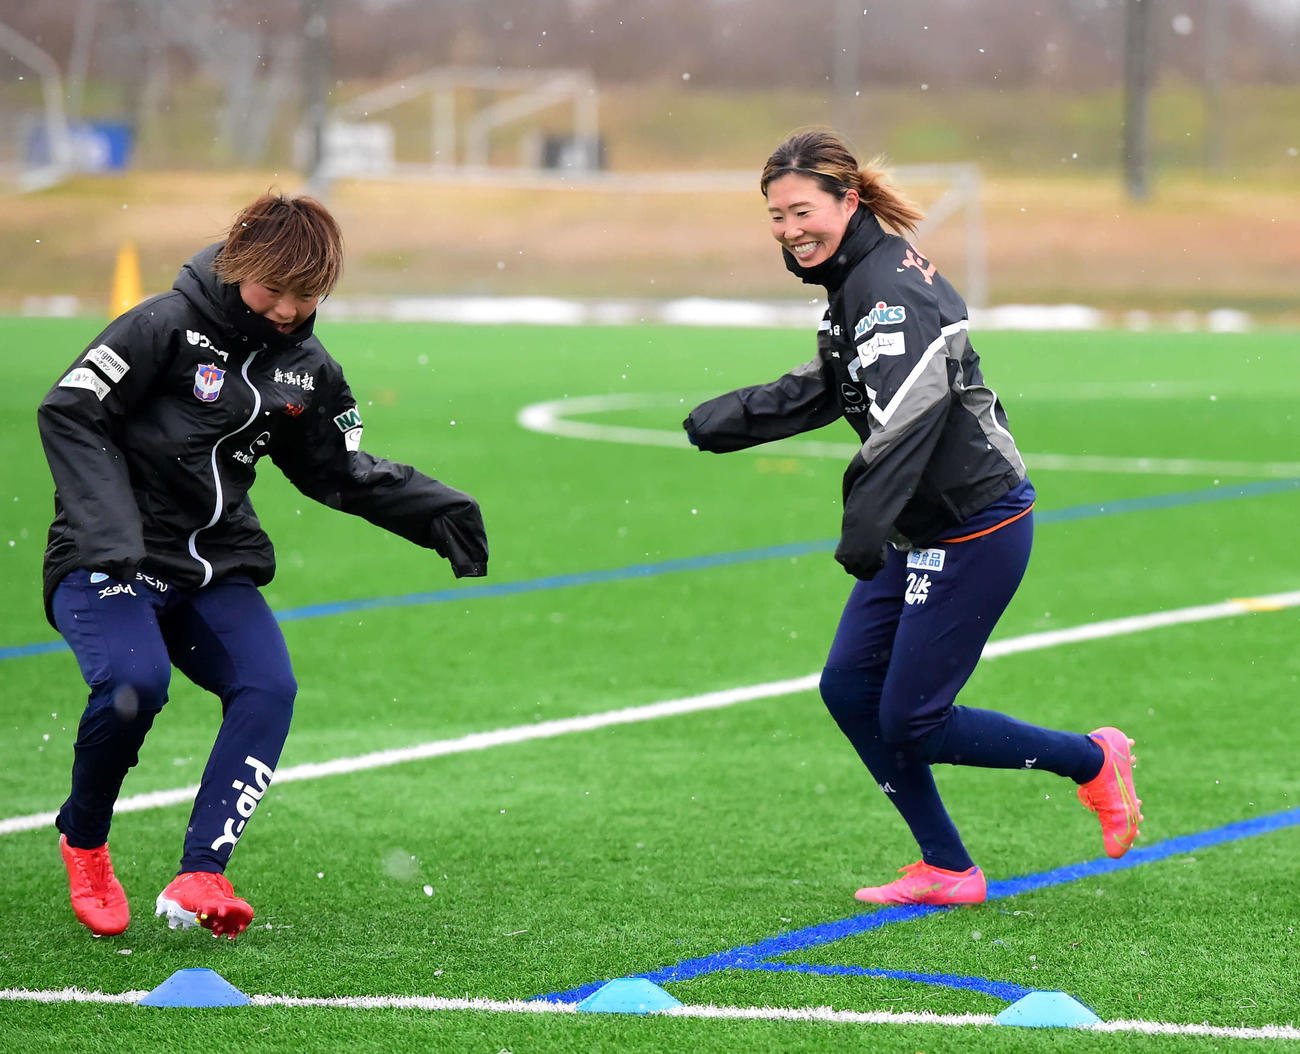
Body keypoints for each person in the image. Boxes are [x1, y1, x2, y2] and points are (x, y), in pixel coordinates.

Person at [682, 129, 1142, 906]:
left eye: (802, 211)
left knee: (913, 720)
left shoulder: (887, 287)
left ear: (847, 201)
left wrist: (864, 525)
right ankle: (949, 869)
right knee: (850, 691)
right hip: (921, 526)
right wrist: (736, 418)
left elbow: (910, 418)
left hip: (976, 523)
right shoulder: (853, 280)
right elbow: (838, 381)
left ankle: (1092, 761)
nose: (789, 230)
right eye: (775, 216)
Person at [38, 192, 488, 939]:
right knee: (134, 685)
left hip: (215, 565)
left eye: (306, 294)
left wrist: (431, 508)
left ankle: (202, 870)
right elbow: (70, 410)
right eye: (272, 289)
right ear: (240, 264)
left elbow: (335, 470)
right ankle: (84, 840)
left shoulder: (308, 369)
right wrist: (109, 530)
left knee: (267, 687)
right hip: (105, 557)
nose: (286, 308)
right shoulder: (161, 326)